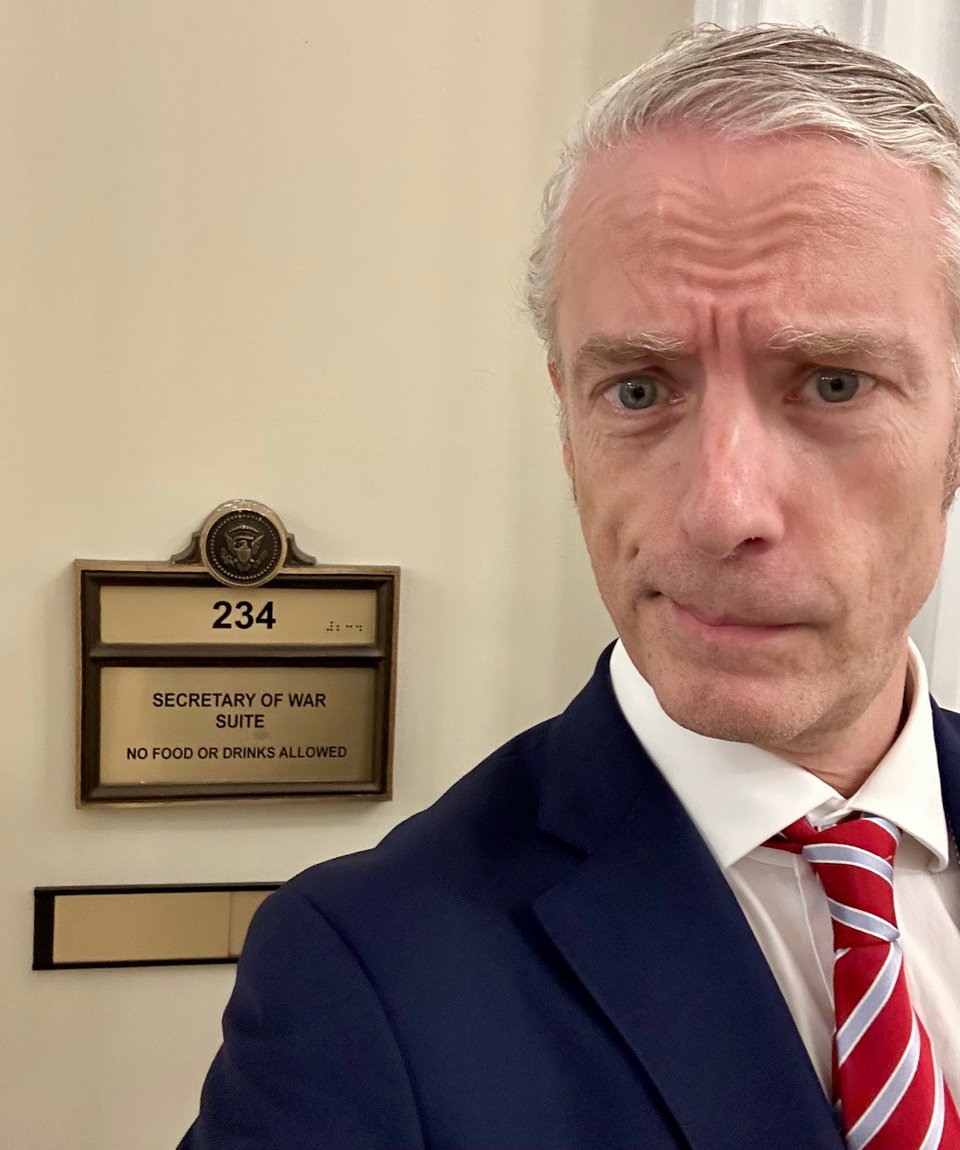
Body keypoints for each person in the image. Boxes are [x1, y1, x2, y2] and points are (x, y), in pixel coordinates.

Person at [179, 23, 960, 1149]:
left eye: (832, 382)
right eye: (638, 391)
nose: (722, 509)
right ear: (566, 418)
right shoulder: (362, 975)